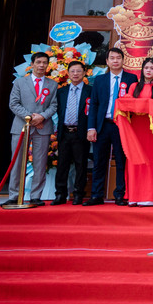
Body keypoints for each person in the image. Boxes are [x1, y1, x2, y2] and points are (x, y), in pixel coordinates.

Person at [85, 47, 137, 206]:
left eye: (118, 58)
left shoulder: (131, 79)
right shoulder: (100, 80)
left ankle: (120, 195)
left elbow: (135, 103)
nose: (115, 61)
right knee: (99, 161)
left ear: (123, 60)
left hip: (122, 126)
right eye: (112, 58)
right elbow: (93, 104)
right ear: (107, 61)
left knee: (121, 161)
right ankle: (96, 195)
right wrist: (91, 127)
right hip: (103, 125)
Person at [5, 51, 58, 207]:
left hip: (43, 127)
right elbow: (13, 104)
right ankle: (14, 195)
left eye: (44, 63)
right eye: (38, 62)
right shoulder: (20, 83)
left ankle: (36, 196)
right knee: (17, 162)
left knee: (40, 163)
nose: (41, 65)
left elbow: (54, 105)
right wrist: (31, 118)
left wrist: (41, 117)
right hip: (21, 127)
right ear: (32, 64)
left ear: (48, 65)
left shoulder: (52, 84)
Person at [123, 58, 153, 206]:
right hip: (135, 127)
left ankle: (148, 196)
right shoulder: (134, 86)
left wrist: (142, 106)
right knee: (134, 160)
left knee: (149, 161)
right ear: (142, 70)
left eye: (152, 68)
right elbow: (128, 104)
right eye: (146, 68)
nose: (148, 70)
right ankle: (134, 196)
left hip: (151, 128)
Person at [51, 60, 91, 206]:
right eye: (72, 71)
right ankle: (60, 194)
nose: (75, 74)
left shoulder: (90, 91)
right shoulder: (61, 91)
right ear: (68, 73)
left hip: (80, 133)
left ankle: (78, 194)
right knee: (62, 164)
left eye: (79, 71)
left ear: (84, 72)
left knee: (81, 165)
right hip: (64, 133)